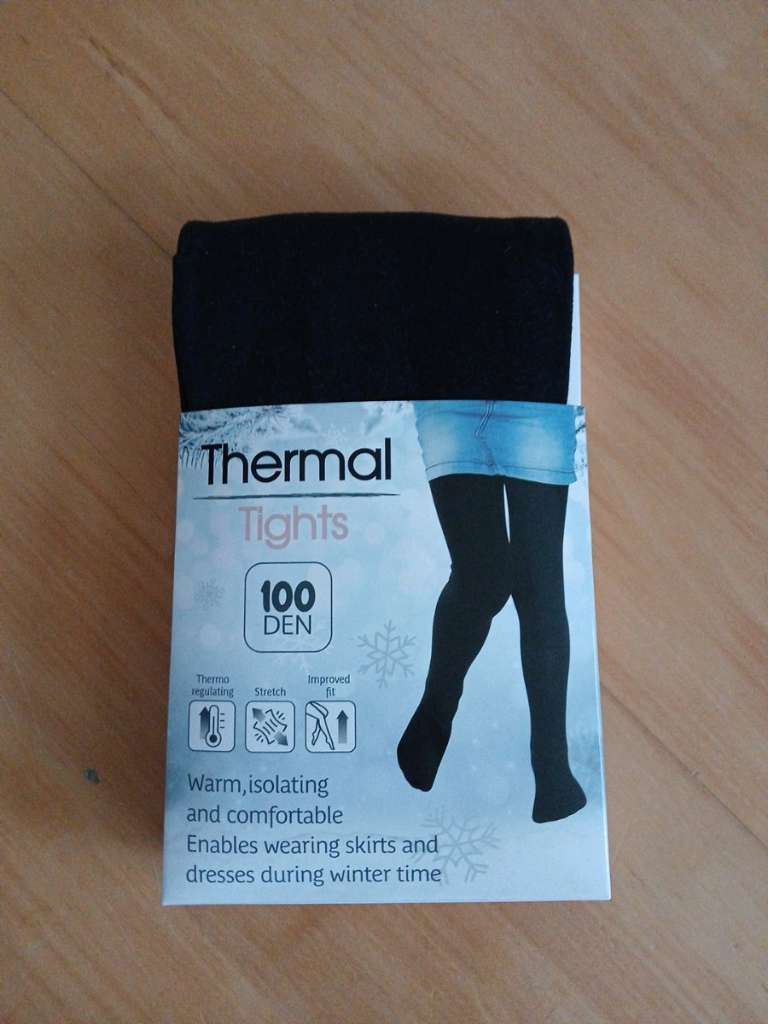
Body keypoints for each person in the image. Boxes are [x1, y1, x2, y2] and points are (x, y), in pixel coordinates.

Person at [397, 399, 587, 823]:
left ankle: (551, 766)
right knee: (482, 578)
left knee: (540, 586)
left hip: (534, 398)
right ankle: (437, 710)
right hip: (450, 395)